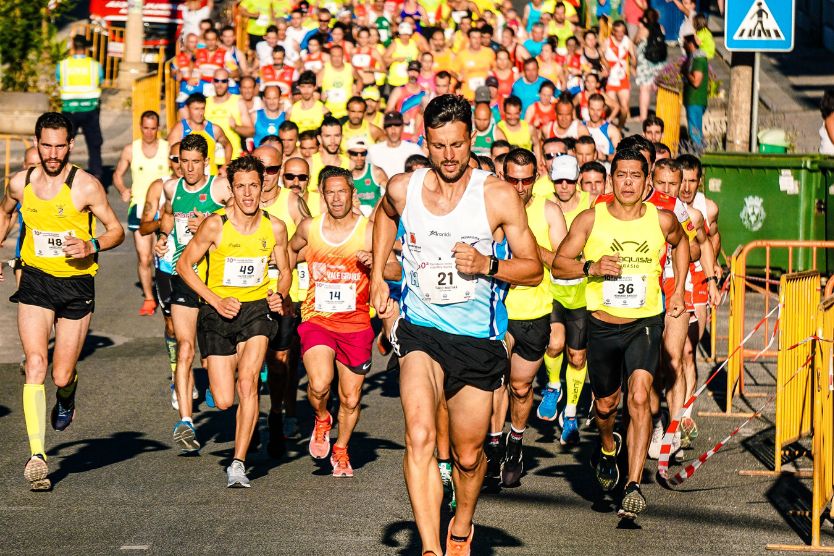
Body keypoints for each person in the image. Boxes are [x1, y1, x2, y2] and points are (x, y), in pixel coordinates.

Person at [370, 95, 543, 554]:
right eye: (439, 145)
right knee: (420, 436)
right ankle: (430, 547)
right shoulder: (405, 188)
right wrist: (376, 278)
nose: (449, 156)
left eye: (458, 145)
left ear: (471, 140)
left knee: (468, 458)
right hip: (420, 330)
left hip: (475, 339)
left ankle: (461, 525)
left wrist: (488, 264)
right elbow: (384, 214)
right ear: (424, 141)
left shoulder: (496, 194)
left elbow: (533, 269)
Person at [552, 148, 690, 519]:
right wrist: (591, 266)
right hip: (602, 323)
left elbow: (682, 244)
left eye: (635, 176)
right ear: (611, 179)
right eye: (621, 175)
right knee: (605, 406)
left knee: (641, 394)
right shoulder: (589, 219)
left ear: (647, 183)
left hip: (645, 321)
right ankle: (608, 444)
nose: (628, 182)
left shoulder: (661, 220)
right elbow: (560, 266)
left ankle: (632, 483)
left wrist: (676, 291)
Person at [0, 112, 125, 490]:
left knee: (60, 373)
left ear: (71, 145)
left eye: (59, 146)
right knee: (35, 364)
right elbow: (5, 213)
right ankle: (38, 456)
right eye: (46, 145)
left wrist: (91, 244)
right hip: (37, 280)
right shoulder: (20, 183)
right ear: (36, 144)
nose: (52, 153)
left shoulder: (85, 187)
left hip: (76, 284)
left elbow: (116, 231)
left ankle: (67, 395)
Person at [178, 151, 292, 489]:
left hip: (256, 308)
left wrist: (279, 294)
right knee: (225, 399)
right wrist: (214, 299)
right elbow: (185, 266)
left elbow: (284, 271)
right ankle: (238, 417)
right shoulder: (216, 224)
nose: (247, 194)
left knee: (249, 382)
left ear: (263, 187)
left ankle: (238, 463)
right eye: (240, 186)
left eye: (253, 186)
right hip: (217, 312)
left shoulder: (275, 227)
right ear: (230, 188)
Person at [289, 166, 377, 477]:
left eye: (342, 191)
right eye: (330, 192)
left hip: (356, 323)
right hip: (318, 318)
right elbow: (288, 251)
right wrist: (286, 285)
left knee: (351, 398)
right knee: (319, 382)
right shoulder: (310, 228)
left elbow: (394, 270)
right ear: (322, 196)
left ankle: (341, 450)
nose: (337, 198)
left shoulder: (368, 231)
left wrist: (376, 262)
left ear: (353, 194)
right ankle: (323, 417)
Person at [489, 148, 567, 487]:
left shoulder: (549, 211)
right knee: (494, 382)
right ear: (503, 176)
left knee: (521, 389)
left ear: (536, 178)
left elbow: (564, 265)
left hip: (535, 312)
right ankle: (492, 446)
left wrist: (531, 248)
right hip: (497, 311)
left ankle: (516, 444)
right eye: (513, 180)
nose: (520, 188)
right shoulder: (490, 207)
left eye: (526, 180)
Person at [155, 134, 231, 452]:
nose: (188, 168)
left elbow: (245, 218)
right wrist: (162, 237)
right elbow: (170, 219)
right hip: (184, 276)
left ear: (205, 162)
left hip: (216, 281)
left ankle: (222, 384)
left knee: (218, 357)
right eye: (183, 161)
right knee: (185, 348)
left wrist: (215, 223)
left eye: (194, 162)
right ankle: (186, 421)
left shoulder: (219, 187)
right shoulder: (171, 188)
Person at [537, 156, 593, 448]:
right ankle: (552, 386)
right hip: (553, 287)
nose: (564, 186)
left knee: (578, 356)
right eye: (559, 180)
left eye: (569, 180)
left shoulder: (591, 205)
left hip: (582, 291)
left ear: (578, 179)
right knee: (554, 343)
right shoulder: (544, 205)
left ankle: (570, 413)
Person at [139, 142, 184, 403]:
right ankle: (177, 375)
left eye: (187, 158)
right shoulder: (160, 186)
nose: (181, 164)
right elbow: (145, 227)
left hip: (202, 265)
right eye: (176, 159)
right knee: (171, 326)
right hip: (167, 264)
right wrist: (168, 219)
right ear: (170, 161)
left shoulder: (209, 188)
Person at [112, 111, 170, 315]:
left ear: (158, 128)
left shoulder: (167, 148)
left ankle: (166, 292)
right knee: (144, 257)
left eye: (153, 128)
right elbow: (118, 174)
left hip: (163, 207)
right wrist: (122, 189)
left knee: (161, 255)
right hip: (139, 206)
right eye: (145, 128)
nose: (149, 132)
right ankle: (149, 298)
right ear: (140, 127)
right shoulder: (131, 149)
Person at [57, 35, 103, 180]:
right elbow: (99, 81)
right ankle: (97, 177)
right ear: (86, 48)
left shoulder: (63, 65)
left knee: (64, 145)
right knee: (94, 145)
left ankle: (61, 176)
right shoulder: (95, 65)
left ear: (72, 47)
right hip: (90, 109)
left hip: (69, 110)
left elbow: (59, 80)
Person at [168, 93, 233, 176]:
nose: (200, 113)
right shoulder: (180, 129)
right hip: (188, 179)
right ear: (188, 109)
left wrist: (225, 166)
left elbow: (228, 145)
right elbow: (172, 155)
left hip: (211, 177)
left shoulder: (214, 129)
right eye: (196, 109)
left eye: (202, 108)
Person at [205, 68, 254, 163]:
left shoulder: (238, 101)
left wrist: (235, 127)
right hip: (209, 160)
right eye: (216, 81)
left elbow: (251, 131)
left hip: (232, 159)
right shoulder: (206, 103)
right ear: (212, 82)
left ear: (228, 82)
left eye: (223, 81)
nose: (220, 85)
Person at [367, 112, 423, 179]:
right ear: (384, 129)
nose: (393, 130)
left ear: (402, 127)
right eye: (389, 126)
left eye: (397, 125)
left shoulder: (414, 149)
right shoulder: (373, 151)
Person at [635, 9, 667, 122]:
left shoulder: (643, 29)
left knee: (645, 89)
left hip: (645, 63)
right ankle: (661, 114)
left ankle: (643, 116)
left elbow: (635, 40)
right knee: (659, 89)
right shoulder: (661, 28)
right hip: (659, 62)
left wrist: (639, 28)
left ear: (645, 18)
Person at [603, 21, 636, 130]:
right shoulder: (607, 42)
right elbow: (600, 56)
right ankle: (607, 127)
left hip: (623, 79)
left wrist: (633, 65)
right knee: (611, 107)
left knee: (624, 108)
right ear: (613, 32)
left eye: (622, 32)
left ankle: (619, 128)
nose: (621, 34)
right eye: (618, 32)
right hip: (611, 79)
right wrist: (605, 66)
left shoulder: (627, 41)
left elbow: (633, 58)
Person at [387, 61, 427, 144]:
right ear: (407, 71)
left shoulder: (424, 93)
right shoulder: (398, 90)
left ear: (420, 72)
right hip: (401, 134)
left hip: (418, 136)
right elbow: (388, 112)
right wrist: (399, 116)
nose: (413, 74)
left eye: (416, 71)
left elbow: (426, 114)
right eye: (411, 70)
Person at [347, 137, 388, 216]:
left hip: (374, 218)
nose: (359, 158)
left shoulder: (376, 172)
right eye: (355, 154)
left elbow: (392, 194)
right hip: (353, 218)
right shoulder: (342, 175)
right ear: (348, 154)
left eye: (363, 154)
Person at [309, 116, 350, 191]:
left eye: (337, 135)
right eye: (328, 136)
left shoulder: (351, 165)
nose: (333, 141)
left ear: (342, 137)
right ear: (319, 139)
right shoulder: (309, 164)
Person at [682, 34, 708, 147]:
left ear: (690, 44)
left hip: (695, 100)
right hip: (693, 100)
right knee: (696, 129)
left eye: (685, 43)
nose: (683, 45)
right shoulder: (693, 57)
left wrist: (685, 72)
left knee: (694, 130)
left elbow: (696, 81)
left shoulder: (698, 60)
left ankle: (698, 153)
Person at [585, 94, 622, 160]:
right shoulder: (581, 127)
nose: (595, 113)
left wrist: (605, 157)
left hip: (605, 167)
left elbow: (620, 156)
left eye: (598, 110)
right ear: (588, 108)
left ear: (603, 109)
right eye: (592, 109)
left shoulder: (612, 130)